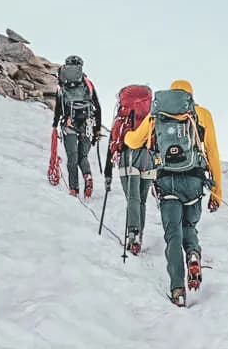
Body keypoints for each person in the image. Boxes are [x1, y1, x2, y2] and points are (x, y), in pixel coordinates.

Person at [121, 79, 222, 306]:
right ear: (190, 95)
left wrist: (126, 134)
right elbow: (213, 152)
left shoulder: (158, 113)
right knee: (189, 227)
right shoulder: (201, 114)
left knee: (173, 235)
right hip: (194, 180)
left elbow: (136, 141)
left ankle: (177, 289)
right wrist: (217, 192)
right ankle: (193, 254)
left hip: (167, 181)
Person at [106, 84, 155, 254]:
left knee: (132, 198)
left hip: (129, 157)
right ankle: (138, 235)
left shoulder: (122, 118)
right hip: (148, 160)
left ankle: (133, 233)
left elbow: (113, 143)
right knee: (141, 200)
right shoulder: (151, 118)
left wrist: (107, 173)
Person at [51, 55, 102, 198]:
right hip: (87, 124)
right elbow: (97, 107)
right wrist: (97, 129)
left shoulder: (62, 84)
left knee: (72, 158)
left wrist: (55, 125)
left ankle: (74, 189)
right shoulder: (88, 84)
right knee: (82, 156)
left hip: (69, 123)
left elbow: (58, 108)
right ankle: (87, 177)